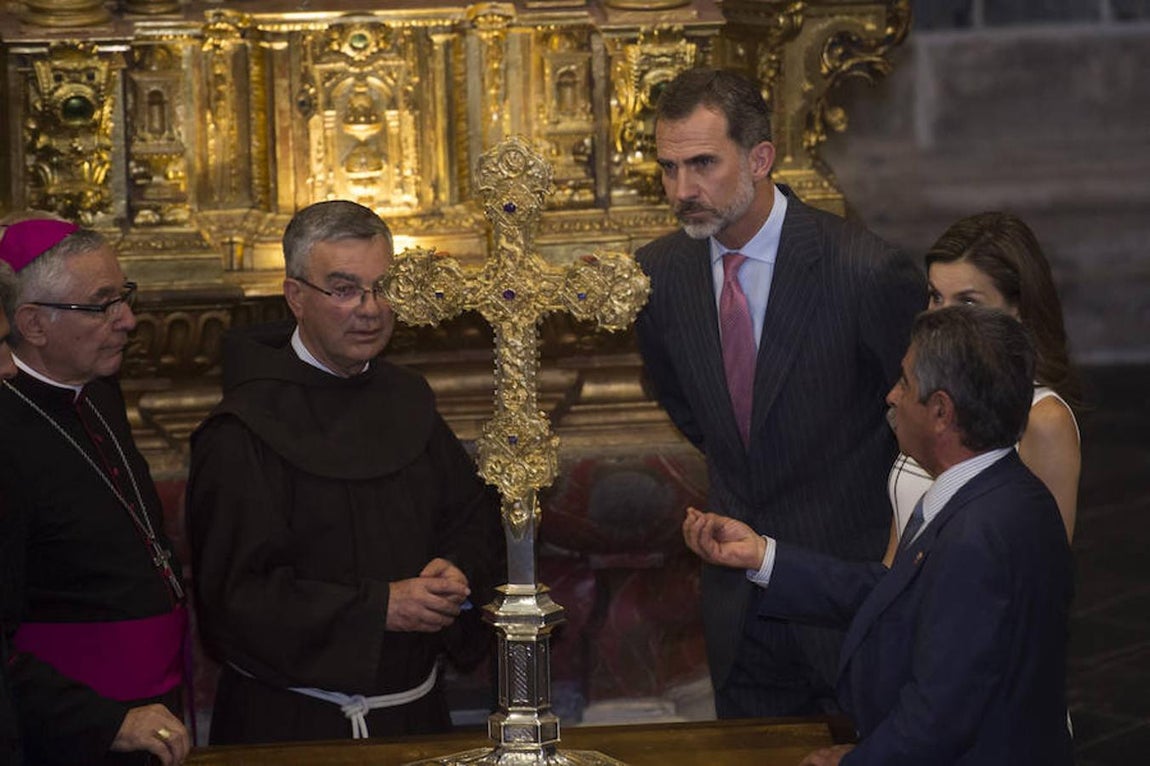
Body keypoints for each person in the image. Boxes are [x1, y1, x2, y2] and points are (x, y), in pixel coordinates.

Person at [633, 67, 925, 716]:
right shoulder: (658, 274)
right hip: (739, 607)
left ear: (760, 158)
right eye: (668, 168)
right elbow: (687, 405)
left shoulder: (864, 269)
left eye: (703, 164)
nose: (683, 190)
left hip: (849, 592)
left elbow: (921, 426)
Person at [684, 305, 1074, 765]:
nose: (891, 396)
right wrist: (761, 556)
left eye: (905, 383)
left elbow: (940, 715)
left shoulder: (979, 534)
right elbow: (898, 593)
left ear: (941, 411)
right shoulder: (998, 494)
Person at [187, 200, 504, 744]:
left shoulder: (407, 399)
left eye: (383, 288)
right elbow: (235, 601)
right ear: (296, 298)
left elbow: (473, 517)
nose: (371, 309)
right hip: (292, 728)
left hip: (415, 716)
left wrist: (455, 570)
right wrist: (380, 608)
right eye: (345, 289)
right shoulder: (242, 430)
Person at [0, 216, 190, 765]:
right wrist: (103, 720)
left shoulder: (99, 391)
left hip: (152, 711)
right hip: (69, 735)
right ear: (33, 324)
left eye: (124, 296)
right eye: (102, 303)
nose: (128, 319)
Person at [884, 212, 1081, 565]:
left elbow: (1042, 573)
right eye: (935, 297)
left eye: (968, 302)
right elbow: (898, 551)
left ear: (1018, 309)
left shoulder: (1043, 420)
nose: (940, 318)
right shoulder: (924, 395)